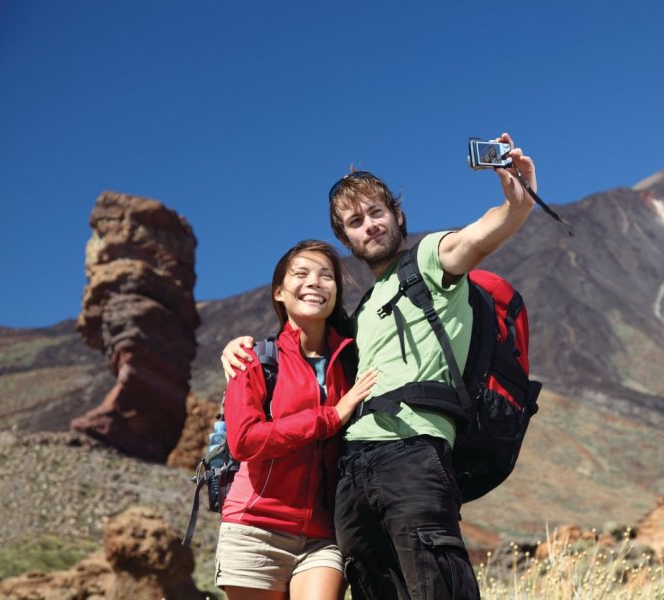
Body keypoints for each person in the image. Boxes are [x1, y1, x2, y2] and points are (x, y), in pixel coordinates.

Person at [222, 133, 537, 599]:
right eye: (355, 221)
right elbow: (299, 352)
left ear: (397, 216)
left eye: (376, 213)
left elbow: (477, 236)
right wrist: (236, 345)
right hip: (350, 476)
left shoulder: (430, 262)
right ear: (345, 238)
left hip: (413, 454)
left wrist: (517, 204)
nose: (368, 225)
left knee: (437, 586)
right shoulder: (358, 316)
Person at [215, 240, 378, 600]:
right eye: (301, 274)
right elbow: (244, 442)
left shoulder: (354, 358)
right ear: (279, 291)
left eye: (326, 276)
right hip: (256, 526)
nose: (314, 283)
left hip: (323, 533)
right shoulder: (253, 359)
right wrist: (330, 417)